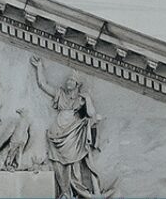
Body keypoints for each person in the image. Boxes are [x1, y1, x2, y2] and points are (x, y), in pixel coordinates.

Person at [30, 57, 110, 199]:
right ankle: (65, 192)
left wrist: (88, 99)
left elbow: (91, 114)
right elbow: (43, 84)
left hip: (73, 134)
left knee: (74, 165)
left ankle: (78, 192)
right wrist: (39, 67)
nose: (68, 82)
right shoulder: (60, 94)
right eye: (68, 80)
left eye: (72, 81)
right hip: (56, 134)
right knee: (57, 165)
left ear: (77, 84)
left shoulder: (80, 99)